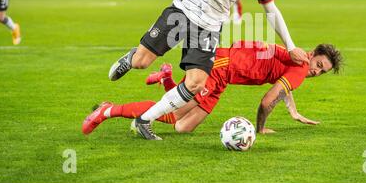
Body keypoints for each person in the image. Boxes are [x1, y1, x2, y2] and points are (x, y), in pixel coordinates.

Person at [108, 0, 309, 140]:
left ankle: (144, 121)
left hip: (209, 27)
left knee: (196, 83)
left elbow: (271, 10)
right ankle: (130, 59)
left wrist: (290, 46)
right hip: (182, 10)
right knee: (141, 62)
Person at [83, 41, 342, 136]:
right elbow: (267, 101)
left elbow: (284, 86)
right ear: (312, 54)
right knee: (175, 114)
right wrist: (260, 129)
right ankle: (109, 110)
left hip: (225, 68)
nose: (316, 71)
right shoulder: (299, 69)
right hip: (221, 68)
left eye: (322, 71)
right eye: (318, 64)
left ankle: (166, 79)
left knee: (183, 126)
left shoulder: (297, 61)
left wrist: (293, 111)